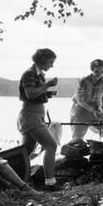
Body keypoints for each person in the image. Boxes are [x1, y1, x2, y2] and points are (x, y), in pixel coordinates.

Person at [17, 48, 61, 191]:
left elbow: (37, 93)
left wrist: (47, 93)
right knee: (51, 146)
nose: (52, 65)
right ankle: (50, 183)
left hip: (36, 114)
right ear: (42, 60)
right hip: (31, 115)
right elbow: (30, 94)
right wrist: (47, 85)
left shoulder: (39, 74)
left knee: (26, 151)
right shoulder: (29, 74)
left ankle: (19, 181)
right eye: (50, 62)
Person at [70, 59, 103, 140]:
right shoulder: (83, 81)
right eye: (96, 71)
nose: (99, 74)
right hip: (80, 112)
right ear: (92, 69)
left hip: (96, 112)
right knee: (77, 139)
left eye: (102, 72)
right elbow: (79, 100)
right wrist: (92, 111)